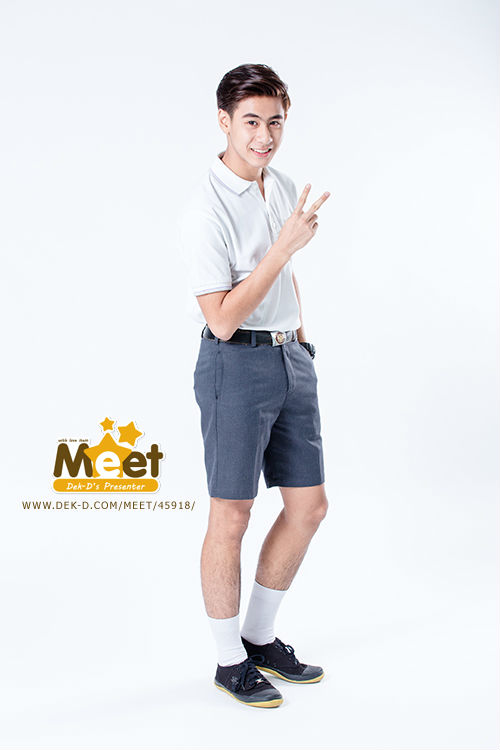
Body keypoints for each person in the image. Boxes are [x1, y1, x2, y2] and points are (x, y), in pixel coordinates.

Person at [178, 63, 331, 709]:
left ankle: (259, 638)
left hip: (290, 358)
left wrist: (301, 341)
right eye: (250, 121)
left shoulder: (283, 184)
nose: (264, 135)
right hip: (233, 364)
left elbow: (285, 278)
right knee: (232, 514)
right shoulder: (205, 208)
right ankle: (227, 661)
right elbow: (221, 318)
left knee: (309, 507)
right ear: (224, 121)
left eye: (275, 121)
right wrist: (283, 247)